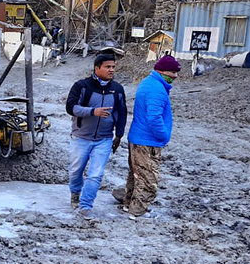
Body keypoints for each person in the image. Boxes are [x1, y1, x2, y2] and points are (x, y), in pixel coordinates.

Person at [65, 53, 127, 219]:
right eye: (108, 67)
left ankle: (85, 206)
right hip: (81, 138)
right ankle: (75, 193)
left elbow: (122, 113)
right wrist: (93, 112)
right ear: (97, 68)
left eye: (113, 67)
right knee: (75, 172)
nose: (111, 70)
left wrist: (119, 135)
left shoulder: (117, 89)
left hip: (104, 139)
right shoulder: (82, 86)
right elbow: (71, 108)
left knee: (95, 175)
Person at [121, 55, 180, 219]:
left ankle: (128, 204)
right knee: (148, 180)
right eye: (173, 72)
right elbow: (154, 118)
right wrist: (164, 136)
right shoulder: (157, 89)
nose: (175, 76)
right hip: (148, 141)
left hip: (138, 138)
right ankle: (137, 212)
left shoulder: (148, 82)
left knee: (135, 175)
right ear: (163, 71)